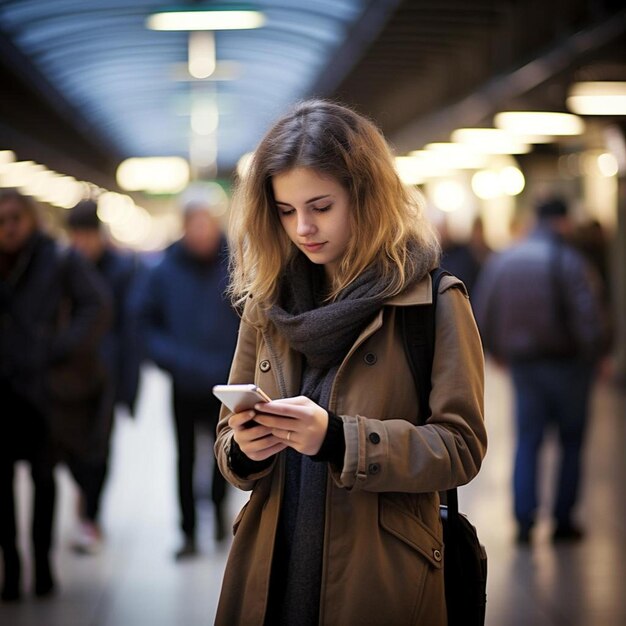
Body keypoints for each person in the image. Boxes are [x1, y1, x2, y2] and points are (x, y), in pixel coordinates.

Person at [213, 100, 487, 626]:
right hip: (272, 565)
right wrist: (245, 450)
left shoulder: (432, 301)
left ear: (365, 196)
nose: (303, 229)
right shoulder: (267, 302)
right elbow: (228, 442)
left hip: (378, 574)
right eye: (286, 211)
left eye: (321, 206)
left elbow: (461, 447)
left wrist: (339, 439)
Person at [473, 197, 607, 544]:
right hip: (568, 367)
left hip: (523, 367)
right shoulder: (569, 261)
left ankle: (524, 520)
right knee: (570, 442)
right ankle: (563, 521)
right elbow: (587, 316)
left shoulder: (504, 259)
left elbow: (482, 308)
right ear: (562, 222)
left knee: (528, 441)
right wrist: (596, 355)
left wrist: (494, 351)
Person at [0, 189, 111, 601]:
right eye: (1, 220)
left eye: (16, 217)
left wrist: (60, 348)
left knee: (43, 478)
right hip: (4, 389)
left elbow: (98, 305)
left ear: (31, 218)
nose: (9, 227)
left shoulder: (57, 258)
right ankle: (10, 565)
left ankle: (42, 563)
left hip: (43, 390)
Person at [139, 193, 239, 559]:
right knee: (183, 457)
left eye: (207, 223)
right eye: (194, 224)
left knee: (224, 450)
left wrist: (237, 363)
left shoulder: (236, 265)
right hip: (184, 381)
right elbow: (145, 323)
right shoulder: (165, 270)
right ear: (183, 228)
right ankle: (187, 531)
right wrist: (174, 360)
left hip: (225, 381)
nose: (202, 232)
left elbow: (253, 320)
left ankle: (216, 513)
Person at [65, 199, 143, 554]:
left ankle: (91, 516)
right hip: (69, 377)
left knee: (99, 447)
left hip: (106, 378)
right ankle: (86, 502)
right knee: (69, 445)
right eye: (75, 236)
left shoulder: (122, 271)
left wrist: (130, 387)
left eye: (86, 235)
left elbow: (130, 332)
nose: (81, 244)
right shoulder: (63, 269)